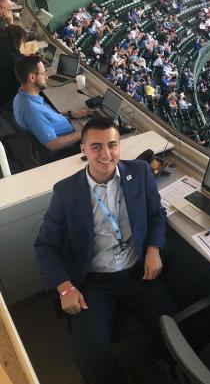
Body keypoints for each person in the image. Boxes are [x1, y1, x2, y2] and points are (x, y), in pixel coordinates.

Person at [34, 117, 176, 383]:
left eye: (112, 145)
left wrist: (154, 248)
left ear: (120, 146)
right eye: (96, 147)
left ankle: (161, 358)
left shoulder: (141, 173)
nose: (106, 154)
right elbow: (45, 246)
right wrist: (65, 287)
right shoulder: (66, 193)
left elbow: (157, 214)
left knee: (173, 328)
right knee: (91, 357)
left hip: (139, 273)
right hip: (94, 282)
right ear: (83, 150)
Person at [13, 55, 92, 155]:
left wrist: (71, 114)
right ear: (32, 77)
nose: (46, 77)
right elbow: (53, 145)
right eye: (43, 73)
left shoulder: (22, 96)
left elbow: (47, 116)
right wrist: (86, 130)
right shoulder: (33, 110)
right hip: (70, 146)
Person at [0, 25, 26, 111]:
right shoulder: (13, 59)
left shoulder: (4, 45)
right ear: (17, 40)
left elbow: (16, 54)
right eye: (22, 40)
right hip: (6, 98)